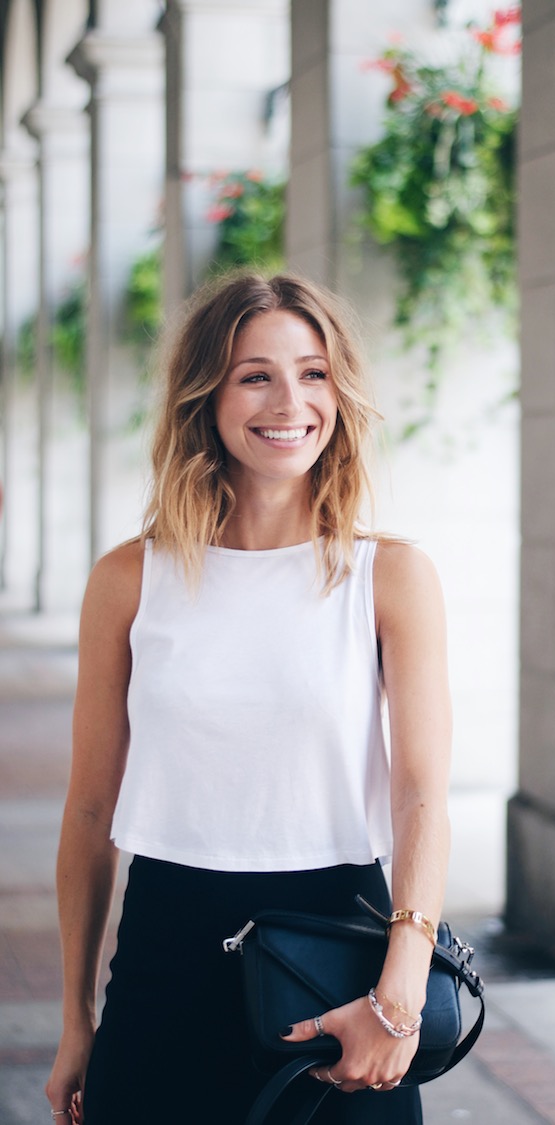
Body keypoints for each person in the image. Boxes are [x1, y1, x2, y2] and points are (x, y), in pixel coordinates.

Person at [45, 272, 452, 1124]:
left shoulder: (390, 577)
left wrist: (398, 996)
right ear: (209, 394)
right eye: (255, 374)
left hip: (337, 954)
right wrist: (77, 1019)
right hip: (165, 952)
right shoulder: (129, 578)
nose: (289, 401)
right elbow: (88, 813)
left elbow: (423, 796)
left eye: (313, 373)